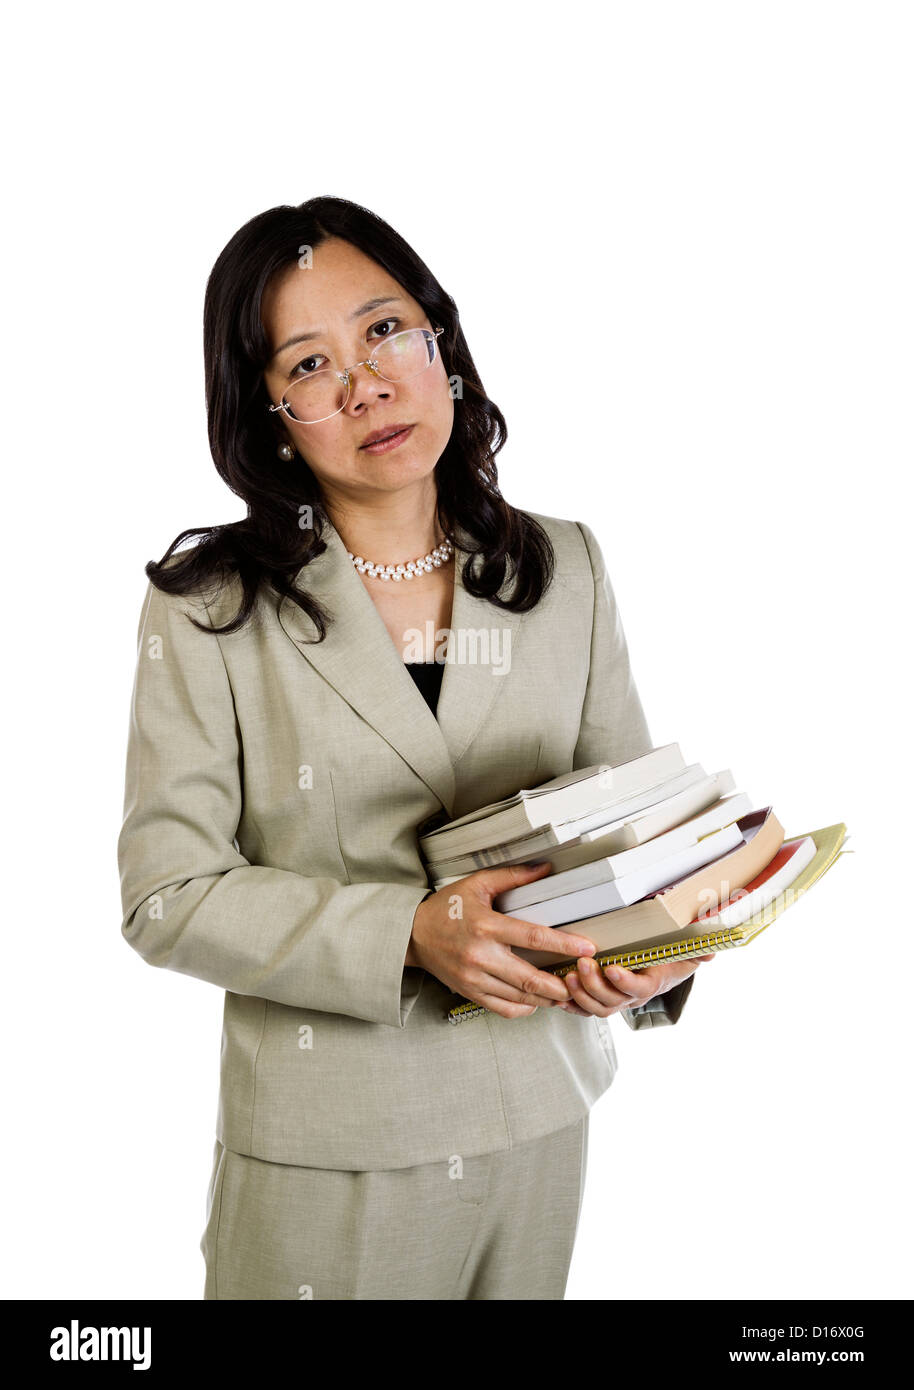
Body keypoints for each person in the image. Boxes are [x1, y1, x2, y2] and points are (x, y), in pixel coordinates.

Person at [117, 195, 712, 1301]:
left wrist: (652, 952)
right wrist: (407, 931)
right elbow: (167, 893)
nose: (365, 385)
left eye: (385, 330)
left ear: (440, 340)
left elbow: (635, 837)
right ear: (268, 412)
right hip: (328, 1149)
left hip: (540, 1117)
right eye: (307, 362)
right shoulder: (207, 611)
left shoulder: (563, 567)